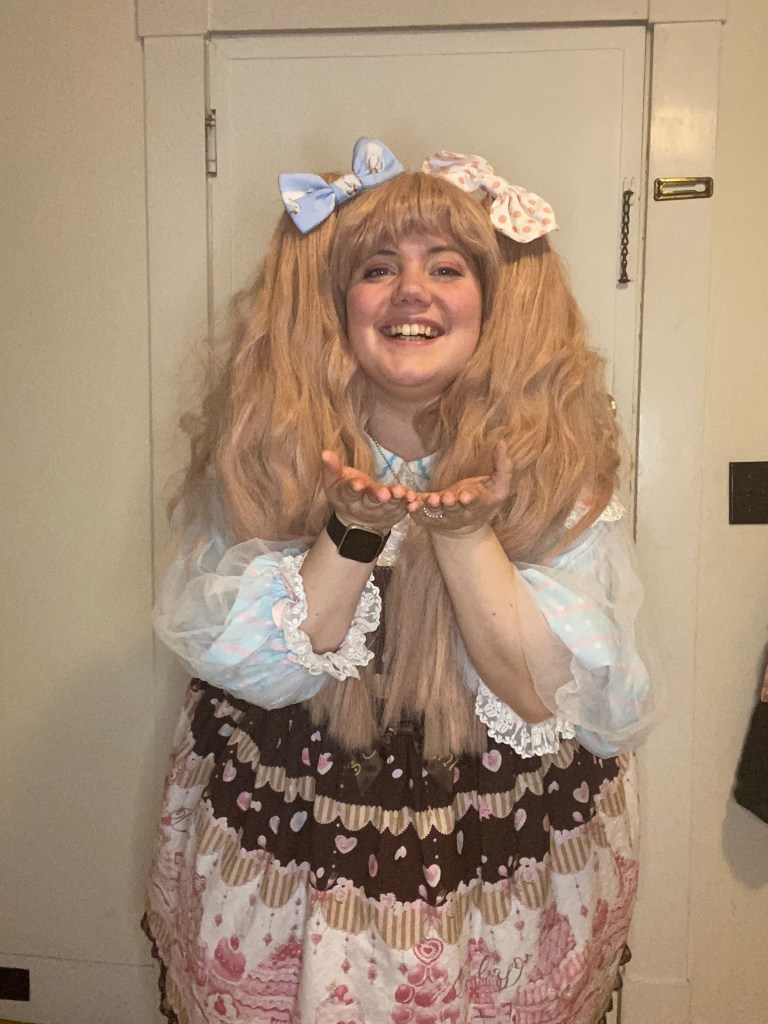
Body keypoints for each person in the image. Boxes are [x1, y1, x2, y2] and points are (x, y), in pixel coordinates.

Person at [143, 138, 652, 1024]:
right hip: (294, 834)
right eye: (379, 269)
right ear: (336, 302)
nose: (412, 290)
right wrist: (354, 530)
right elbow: (248, 665)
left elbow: (550, 693)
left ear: (494, 301)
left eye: (446, 267)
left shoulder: (556, 464)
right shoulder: (271, 453)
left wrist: (463, 535)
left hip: (496, 846)